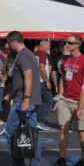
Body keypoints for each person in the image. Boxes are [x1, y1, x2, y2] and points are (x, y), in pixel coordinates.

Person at [4, 31, 42, 166]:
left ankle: (18, 162)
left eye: (9, 43)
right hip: (27, 98)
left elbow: (28, 76)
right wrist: (13, 93)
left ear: (13, 41)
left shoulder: (23, 55)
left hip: (24, 101)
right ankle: (35, 163)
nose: (8, 47)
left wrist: (26, 98)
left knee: (10, 130)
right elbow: (22, 79)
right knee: (32, 133)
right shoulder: (27, 54)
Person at [55, 34, 84, 166]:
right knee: (63, 128)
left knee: (82, 132)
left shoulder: (83, 60)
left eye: (70, 43)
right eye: (66, 42)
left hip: (79, 101)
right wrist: (60, 95)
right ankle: (62, 158)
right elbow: (62, 77)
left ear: (78, 45)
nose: (67, 44)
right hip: (65, 99)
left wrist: (81, 105)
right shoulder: (65, 60)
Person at [34, 40, 53, 131]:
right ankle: (40, 121)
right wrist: (47, 81)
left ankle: (37, 120)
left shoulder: (35, 53)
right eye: (48, 46)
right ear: (43, 45)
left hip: (36, 81)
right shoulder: (42, 53)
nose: (49, 48)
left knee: (40, 102)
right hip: (42, 81)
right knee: (49, 101)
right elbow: (42, 67)